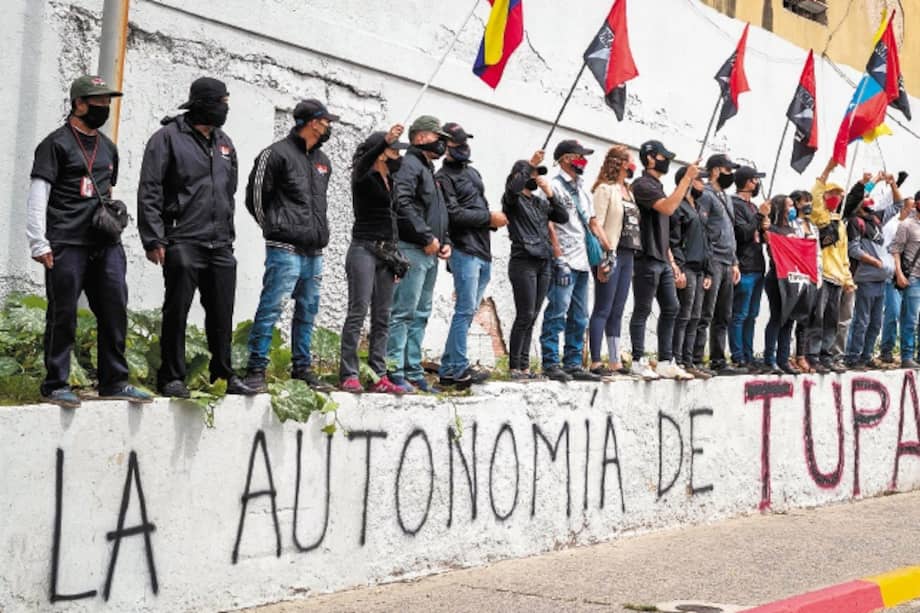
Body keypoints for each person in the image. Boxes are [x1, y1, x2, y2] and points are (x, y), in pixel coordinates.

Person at [26, 75, 152, 408]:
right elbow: (40, 192)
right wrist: (39, 242)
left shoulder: (108, 148)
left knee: (114, 307)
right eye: (98, 102)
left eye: (107, 102)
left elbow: (106, 190)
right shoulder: (55, 144)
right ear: (79, 103)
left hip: (105, 242)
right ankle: (55, 384)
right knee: (63, 311)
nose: (104, 108)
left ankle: (114, 380)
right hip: (66, 240)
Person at [137, 77, 255, 398]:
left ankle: (223, 375)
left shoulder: (225, 142)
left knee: (222, 312)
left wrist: (228, 235)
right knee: (177, 310)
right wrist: (154, 238)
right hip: (183, 239)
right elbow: (150, 190)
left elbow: (228, 191)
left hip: (220, 244)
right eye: (222, 102)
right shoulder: (167, 139)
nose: (225, 109)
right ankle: (171, 377)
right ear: (203, 103)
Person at [243, 98, 338, 392]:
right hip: (284, 248)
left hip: (314, 251)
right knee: (272, 306)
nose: (328, 127)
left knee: (308, 310)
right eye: (326, 121)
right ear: (312, 122)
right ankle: (256, 368)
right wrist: (274, 228)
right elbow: (255, 199)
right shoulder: (275, 154)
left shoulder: (323, 161)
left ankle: (302, 368)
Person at [338, 124, 409, 394]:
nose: (398, 154)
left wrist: (396, 258)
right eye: (393, 149)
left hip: (386, 253)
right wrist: (384, 141)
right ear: (381, 152)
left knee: (383, 316)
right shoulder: (363, 175)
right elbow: (364, 161)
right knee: (358, 311)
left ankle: (378, 374)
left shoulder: (390, 179)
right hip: (363, 249)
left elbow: (393, 222)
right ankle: (349, 374)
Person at [437, 122, 506, 388]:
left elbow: (479, 208)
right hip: (464, 250)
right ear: (446, 146)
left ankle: (449, 367)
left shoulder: (473, 173)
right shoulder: (443, 178)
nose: (463, 147)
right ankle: (458, 368)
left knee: (467, 311)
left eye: (465, 142)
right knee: (464, 311)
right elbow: (453, 215)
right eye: (457, 143)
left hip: (483, 250)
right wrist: (488, 218)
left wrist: (491, 221)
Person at [386, 115, 452, 393]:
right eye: (439, 138)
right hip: (412, 249)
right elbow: (401, 203)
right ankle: (393, 370)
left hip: (430, 253)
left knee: (421, 313)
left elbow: (436, 212)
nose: (443, 145)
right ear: (422, 137)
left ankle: (413, 371)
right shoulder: (409, 165)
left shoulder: (428, 170)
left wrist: (444, 240)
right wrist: (425, 236)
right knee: (403, 312)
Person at [540, 140, 610, 383]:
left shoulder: (583, 190)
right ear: (567, 158)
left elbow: (592, 222)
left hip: (582, 261)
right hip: (564, 261)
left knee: (580, 316)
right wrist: (558, 256)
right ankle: (550, 361)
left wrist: (606, 250)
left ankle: (573, 362)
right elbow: (548, 223)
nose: (584, 161)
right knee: (557, 311)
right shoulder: (552, 187)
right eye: (580, 156)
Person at [628, 140, 698, 380]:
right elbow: (668, 208)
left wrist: (673, 264)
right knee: (643, 308)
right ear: (650, 158)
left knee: (672, 307)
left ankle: (666, 360)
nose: (666, 160)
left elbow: (664, 232)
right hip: (646, 258)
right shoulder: (642, 186)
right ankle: (638, 359)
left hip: (662, 259)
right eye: (662, 156)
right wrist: (686, 179)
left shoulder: (657, 186)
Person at [503, 152, 568, 380]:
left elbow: (562, 216)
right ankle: (514, 366)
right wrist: (529, 164)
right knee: (525, 314)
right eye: (530, 174)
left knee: (533, 315)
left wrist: (550, 194)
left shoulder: (539, 202)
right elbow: (512, 190)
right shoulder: (513, 200)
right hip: (524, 261)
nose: (534, 177)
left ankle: (524, 366)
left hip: (544, 262)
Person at [588, 145, 642, 375]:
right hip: (611, 252)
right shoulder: (605, 189)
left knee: (618, 308)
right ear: (620, 163)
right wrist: (603, 256)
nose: (633, 165)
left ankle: (614, 358)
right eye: (630, 160)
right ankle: (595, 359)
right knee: (603, 306)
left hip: (629, 253)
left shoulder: (629, 191)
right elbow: (596, 223)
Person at [844, 172, 904, 369]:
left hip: (880, 279)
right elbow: (853, 250)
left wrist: (893, 183)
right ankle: (853, 356)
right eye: (864, 199)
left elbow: (897, 206)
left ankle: (867, 356)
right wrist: (875, 262)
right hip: (867, 277)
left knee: (875, 323)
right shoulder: (855, 222)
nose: (868, 201)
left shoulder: (875, 218)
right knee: (862, 321)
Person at [694, 154, 743, 376]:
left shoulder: (726, 197)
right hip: (712, 259)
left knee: (724, 313)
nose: (731, 174)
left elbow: (730, 231)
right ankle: (695, 358)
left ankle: (717, 358)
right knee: (706, 312)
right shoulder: (705, 194)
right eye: (727, 169)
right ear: (715, 170)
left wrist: (734, 262)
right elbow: (702, 228)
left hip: (727, 260)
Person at [805, 160, 852, 373]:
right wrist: (827, 169)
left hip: (837, 278)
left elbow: (844, 256)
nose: (836, 197)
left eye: (839, 194)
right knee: (818, 317)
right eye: (831, 193)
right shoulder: (819, 217)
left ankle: (826, 354)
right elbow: (815, 196)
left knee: (832, 320)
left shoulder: (840, 223)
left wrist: (848, 280)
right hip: (821, 275)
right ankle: (812, 355)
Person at [670, 166, 713, 379]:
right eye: (698, 180)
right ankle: (676, 358)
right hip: (686, 266)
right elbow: (674, 240)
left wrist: (709, 272)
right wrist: (679, 265)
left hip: (700, 269)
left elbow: (706, 241)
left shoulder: (699, 207)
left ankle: (688, 360)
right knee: (684, 315)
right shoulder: (678, 206)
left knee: (696, 316)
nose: (702, 184)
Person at [729, 165, 768, 373]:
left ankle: (749, 353)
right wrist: (758, 217)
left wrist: (764, 224)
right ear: (745, 182)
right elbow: (742, 233)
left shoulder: (753, 207)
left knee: (752, 314)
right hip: (743, 266)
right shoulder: (734, 204)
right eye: (754, 180)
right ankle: (738, 356)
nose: (756, 184)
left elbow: (757, 236)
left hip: (758, 265)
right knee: (739, 314)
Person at [760, 194, 804, 374]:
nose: (793, 208)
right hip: (777, 278)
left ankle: (783, 359)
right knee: (777, 317)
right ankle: (769, 359)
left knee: (789, 319)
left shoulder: (791, 228)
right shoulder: (774, 229)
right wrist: (765, 225)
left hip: (792, 278)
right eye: (789, 205)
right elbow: (769, 243)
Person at [788, 190, 822, 374]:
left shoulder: (813, 226)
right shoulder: (792, 224)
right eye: (804, 201)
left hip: (813, 276)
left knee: (808, 318)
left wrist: (819, 275)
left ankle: (801, 354)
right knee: (791, 316)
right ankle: (787, 355)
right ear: (796, 204)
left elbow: (817, 252)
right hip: (796, 276)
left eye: (810, 201)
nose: (808, 205)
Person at [888, 192, 920, 368]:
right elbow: (895, 250)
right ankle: (907, 356)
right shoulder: (906, 225)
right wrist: (899, 274)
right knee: (910, 318)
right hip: (913, 277)